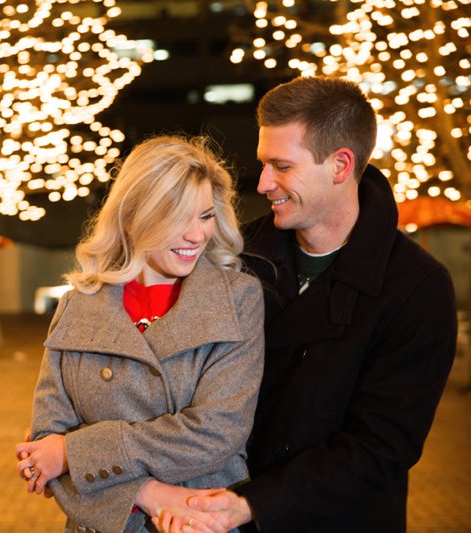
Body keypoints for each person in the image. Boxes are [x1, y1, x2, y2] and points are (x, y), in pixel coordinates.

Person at [140, 76, 458, 533]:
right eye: (264, 164)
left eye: (281, 166)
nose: (265, 182)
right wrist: (85, 430)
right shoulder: (236, 254)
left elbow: (381, 448)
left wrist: (251, 504)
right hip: (210, 511)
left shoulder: (417, 286)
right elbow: (167, 365)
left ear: (340, 165)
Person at [14, 135, 265, 533]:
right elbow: (45, 445)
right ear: (131, 217)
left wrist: (74, 453)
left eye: (204, 215)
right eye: (177, 217)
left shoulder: (238, 299)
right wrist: (148, 493)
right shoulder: (79, 304)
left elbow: (218, 431)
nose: (197, 236)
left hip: (200, 521)